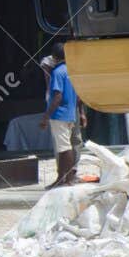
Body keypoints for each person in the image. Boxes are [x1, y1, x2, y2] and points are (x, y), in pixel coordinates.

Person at [43, 45, 83, 188]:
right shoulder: (71, 72)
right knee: (67, 147)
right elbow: (78, 96)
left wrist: (46, 117)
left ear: (54, 57)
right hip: (71, 114)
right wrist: (81, 113)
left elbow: (57, 96)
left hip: (59, 115)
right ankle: (62, 178)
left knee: (64, 149)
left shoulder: (57, 73)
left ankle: (68, 179)